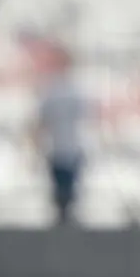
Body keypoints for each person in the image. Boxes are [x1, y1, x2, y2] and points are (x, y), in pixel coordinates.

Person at [33, 48, 89, 225]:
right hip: (61, 147)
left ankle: (65, 215)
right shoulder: (63, 90)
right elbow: (42, 121)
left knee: (66, 185)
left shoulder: (62, 90)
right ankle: (64, 215)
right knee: (63, 185)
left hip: (67, 146)